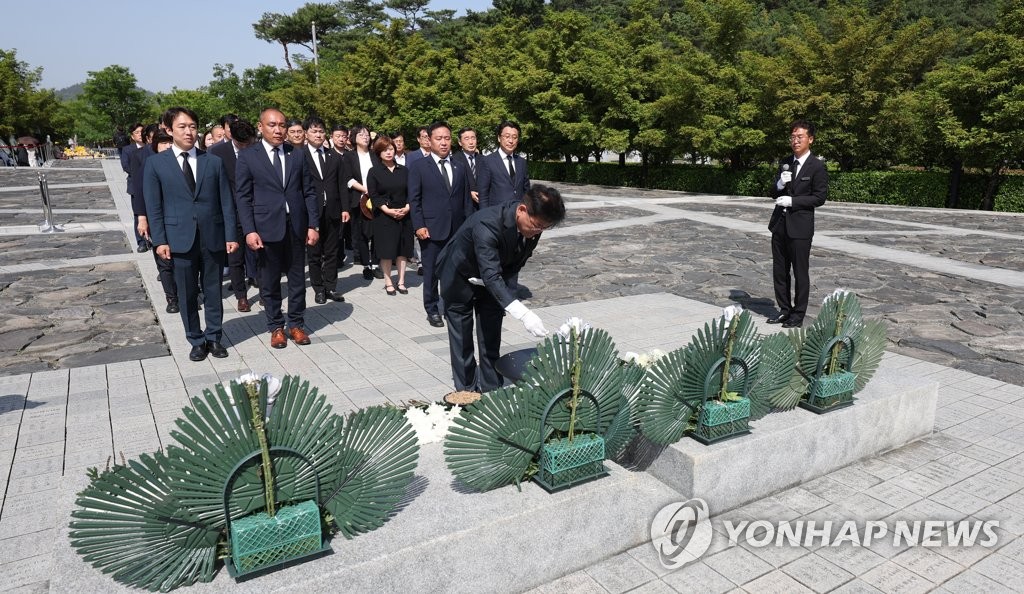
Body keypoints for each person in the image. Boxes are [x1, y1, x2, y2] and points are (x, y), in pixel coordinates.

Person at [438, 184, 566, 391]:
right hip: (459, 277)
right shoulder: (487, 224)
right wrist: (523, 314)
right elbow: (490, 273)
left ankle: (491, 387)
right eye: (536, 225)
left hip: (492, 280)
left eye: (544, 228)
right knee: (462, 339)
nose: (537, 232)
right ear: (522, 210)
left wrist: (499, 287)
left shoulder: (534, 226)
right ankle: (466, 394)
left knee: (491, 334)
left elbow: (516, 261)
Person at [142, 107, 238, 362]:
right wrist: (160, 240)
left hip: (212, 236)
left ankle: (215, 337)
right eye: (182, 126)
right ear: (169, 129)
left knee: (213, 289)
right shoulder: (155, 164)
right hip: (178, 238)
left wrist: (231, 235)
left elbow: (226, 202)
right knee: (186, 293)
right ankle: (195, 339)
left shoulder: (212, 161)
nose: (189, 131)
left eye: (193, 126)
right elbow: (154, 206)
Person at [235, 108, 320, 349]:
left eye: (282, 125)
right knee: (269, 281)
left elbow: (309, 192)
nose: (278, 130)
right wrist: (249, 230)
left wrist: (313, 224)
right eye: (272, 125)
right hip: (265, 228)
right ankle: (275, 326)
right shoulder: (249, 156)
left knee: (297, 280)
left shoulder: (298, 154)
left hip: (296, 226)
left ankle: (296, 324)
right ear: (260, 126)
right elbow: (242, 196)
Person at [408, 121, 473, 328]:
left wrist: (469, 227)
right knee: (431, 272)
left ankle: (453, 305)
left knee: (455, 271)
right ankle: (432, 308)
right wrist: (418, 225)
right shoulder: (419, 167)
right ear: (429, 140)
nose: (443, 143)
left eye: (447, 138)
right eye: (439, 138)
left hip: (457, 229)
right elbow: (414, 199)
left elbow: (465, 201)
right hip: (431, 229)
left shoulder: (459, 167)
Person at [767, 119, 828, 329]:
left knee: (800, 272)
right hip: (779, 225)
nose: (795, 141)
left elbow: (819, 198)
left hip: (800, 228)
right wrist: (780, 183)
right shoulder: (786, 162)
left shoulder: (817, 166)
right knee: (780, 270)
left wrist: (793, 201)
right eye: (792, 137)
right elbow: (773, 193)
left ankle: (798, 313)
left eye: (800, 137)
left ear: (810, 139)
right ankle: (784, 310)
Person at [209, 119, 259, 312]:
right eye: (241, 144)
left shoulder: (257, 149)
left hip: (257, 210)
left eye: (249, 143)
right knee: (235, 257)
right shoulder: (218, 153)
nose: (245, 147)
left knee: (260, 254)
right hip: (232, 212)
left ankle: (264, 290)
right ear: (232, 137)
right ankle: (241, 296)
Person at [132, 128, 179, 315]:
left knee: (181, 261)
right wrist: (141, 218)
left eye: (170, 142)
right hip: (156, 218)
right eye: (163, 143)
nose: (167, 146)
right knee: (164, 261)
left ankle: (185, 294)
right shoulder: (150, 164)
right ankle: (172, 298)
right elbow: (139, 193)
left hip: (178, 218)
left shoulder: (180, 162)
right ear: (155, 145)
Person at [302, 115, 348, 304]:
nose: (318, 134)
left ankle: (331, 287)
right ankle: (318, 288)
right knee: (314, 253)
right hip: (311, 212)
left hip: (333, 210)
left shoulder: (334, 156)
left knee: (332, 251)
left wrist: (345, 208)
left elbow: (341, 184)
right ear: (306, 133)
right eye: (314, 131)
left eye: (321, 131)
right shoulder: (300, 156)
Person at [367, 135, 413, 296]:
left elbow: (412, 192)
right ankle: (388, 282)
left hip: (404, 214)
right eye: (384, 150)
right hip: (384, 216)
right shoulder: (374, 172)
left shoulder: (404, 170)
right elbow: (374, 195)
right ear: (378, 152)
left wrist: (407, 207)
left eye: (391, 149)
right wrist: (387, 210)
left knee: (402, 250)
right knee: (386, 251)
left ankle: (401, 281)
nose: (388, 152)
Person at [341, 124, 382, 280]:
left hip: (376, 199)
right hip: (359, 200)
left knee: (377, 233)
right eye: (361, 134)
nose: (365, 137)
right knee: (362, 234)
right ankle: (366, 265)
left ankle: (377, 264)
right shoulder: (349, 157)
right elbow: (348, 179)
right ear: (354, 138)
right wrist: (366, 189)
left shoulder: (375, 155)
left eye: (367, 134)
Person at [477, 121, 530, 209]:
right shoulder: (487, 161)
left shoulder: (522, 162)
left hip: (518, 214)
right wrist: (486, 216)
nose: (511, 141)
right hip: (496, 215)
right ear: (499, 138)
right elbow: (483, 195)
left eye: (514, 137)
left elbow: (526, 190)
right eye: (507, 136)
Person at [120, 123, 148, 252]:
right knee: (139, 214)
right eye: (137, 132)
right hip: (135, 185)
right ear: (132, 135)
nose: (140, 134)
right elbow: (126, 166)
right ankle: (141, 241)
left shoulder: (150, 148)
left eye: (142, 132)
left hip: (150, 185)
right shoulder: (128, 150)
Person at [451, 127, 482, 208]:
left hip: (483, 206)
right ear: (460, 142)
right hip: (463, 206)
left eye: (473, 138)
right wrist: (469, 192)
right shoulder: (453, 160)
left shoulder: (484, 160)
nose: (471, 142)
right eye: (466, 139)